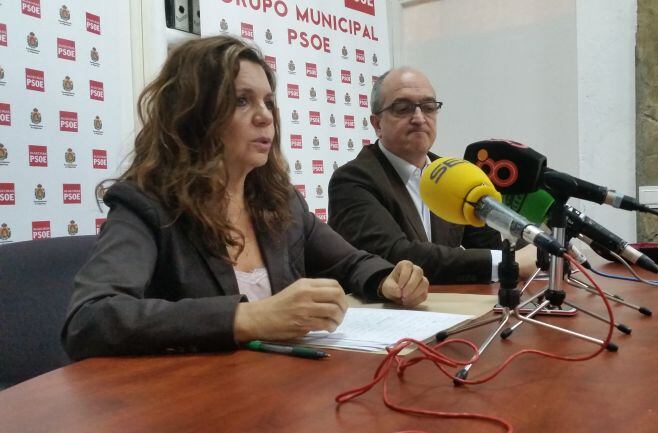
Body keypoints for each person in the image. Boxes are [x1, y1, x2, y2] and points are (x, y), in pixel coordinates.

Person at [61, 36, 428, 360]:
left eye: (268, 102)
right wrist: (249, 317)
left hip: (277, 389)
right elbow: (91, 319)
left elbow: (349, 263)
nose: (265, 117)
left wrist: (387, 280)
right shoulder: (146, 205)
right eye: (241, 101)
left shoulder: (279, 200)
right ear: (193, 114)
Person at [328, 67, 536, 284]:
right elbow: (397, 257)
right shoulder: (352, 180)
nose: (419, 118)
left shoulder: (453, 174)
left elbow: (490, 240)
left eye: (428, 107)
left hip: (445, 309)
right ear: (377, 124)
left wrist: (537, 249)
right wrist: (508, 262)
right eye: (402, 108)